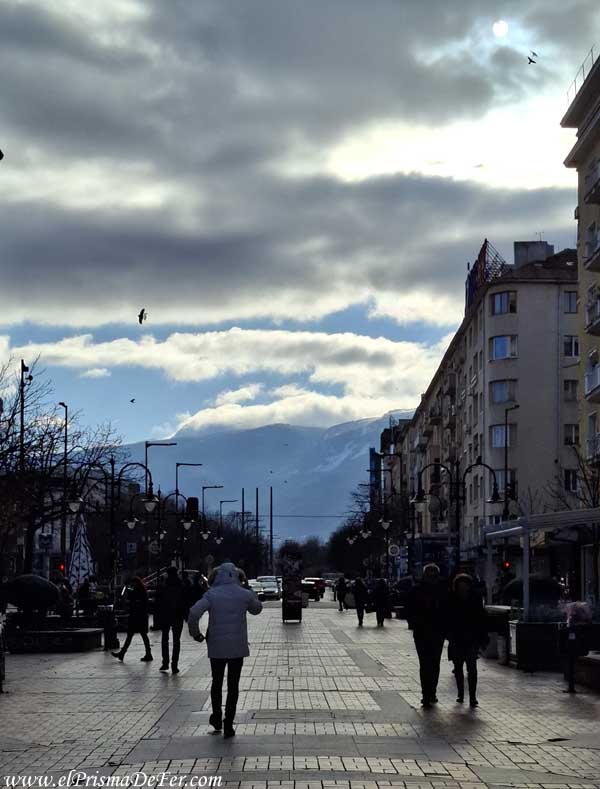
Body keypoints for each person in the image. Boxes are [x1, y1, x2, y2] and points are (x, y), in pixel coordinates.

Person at [188, 562, 262, 739]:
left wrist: (196, 634)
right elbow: (257, 609)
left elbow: (194, 613)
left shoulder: (212, 595)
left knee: (217, 683)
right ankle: (229, 723)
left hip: (217, 647)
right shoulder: (243, 595)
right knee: (233, 686)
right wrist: (248, 590)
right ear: (237, 576)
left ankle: (216, 717)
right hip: (237, 647)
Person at [406, 563, 448, 708]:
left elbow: (448, 611)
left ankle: (430, 692)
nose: (432, 577)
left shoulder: (442, 590)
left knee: (431, 663)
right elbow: (409, 609)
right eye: (430, 574)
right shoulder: (419, 590)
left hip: (434, 632)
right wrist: (414, 622)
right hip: (424, 632)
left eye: (434, 574)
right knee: (427, 663)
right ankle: (427, 693)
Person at [447, 574, 488, 707]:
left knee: (472, 669)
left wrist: (482, 637)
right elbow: (447, 617)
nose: (463, 587)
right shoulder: (451, 598)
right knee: (458, 668)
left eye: (465, 584)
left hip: (471, 638)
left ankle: (472, 696)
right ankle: (460, 694)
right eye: (461, 584)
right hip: (457, 638)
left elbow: (481, 618)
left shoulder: (475, 599)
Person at [156, 567, 189, 674]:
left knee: (164, 639)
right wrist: (186, 615)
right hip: (178, 615)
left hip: (166, 615)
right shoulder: (182, 585)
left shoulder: (163, 586)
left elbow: (158, 602)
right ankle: (174, 664)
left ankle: (165, 662)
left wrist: (158, 617)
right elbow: (185, 602)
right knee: (176, 641)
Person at [112, 576, 153, 662]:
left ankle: (148, 654)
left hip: (139, 617)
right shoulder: (138, 591)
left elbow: (137, 603)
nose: (132, 585)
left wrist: (131, 601)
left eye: (133, 583)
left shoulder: (140, 592)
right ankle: (122, 653)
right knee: (132, 636)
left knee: (141, 636)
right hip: (137, 617)